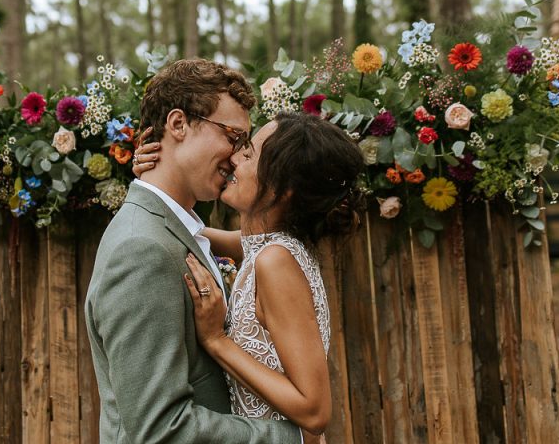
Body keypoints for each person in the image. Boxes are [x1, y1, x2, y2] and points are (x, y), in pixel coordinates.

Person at [84, 59, 303, 443]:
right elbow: (159, 431)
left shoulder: (178, 227)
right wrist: (288, 438)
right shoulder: (141, 250)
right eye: (233, 136)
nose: (238, 157)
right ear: (179, 124)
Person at [133, 112, 366, 443]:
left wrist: (217, 340)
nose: (234, 158)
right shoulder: (265, 247)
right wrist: (156, 184)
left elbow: (315, 412)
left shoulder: (276, 262)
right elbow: (192, 234)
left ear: (283, 190)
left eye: (250, 154)